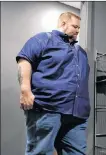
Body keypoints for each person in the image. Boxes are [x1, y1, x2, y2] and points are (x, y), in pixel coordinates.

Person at [16, 12, 90, 155]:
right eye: (75, 26)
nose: (78, 30)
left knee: (77, 152)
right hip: (47, 108)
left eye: (79, 28)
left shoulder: (81, 52)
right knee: (40, 151)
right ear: (63, 23)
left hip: (77, 114)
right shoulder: (43, 39)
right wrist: (25, 89)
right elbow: (24, 60)